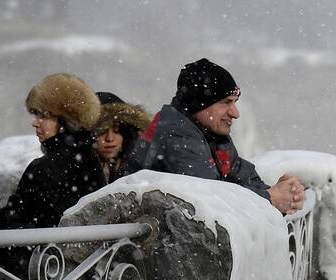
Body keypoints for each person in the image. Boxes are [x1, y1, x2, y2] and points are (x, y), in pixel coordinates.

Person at [124, 58, 305, 214]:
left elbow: (242, 177)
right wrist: (270, 198)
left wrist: (279, 193)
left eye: (234, 103)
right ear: (198, 104)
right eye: (226, 103)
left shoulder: (210, 134)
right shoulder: (176, 135)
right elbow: (209, 200)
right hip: (147, 249)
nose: (235, 113)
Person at [0, 73, 105, 230]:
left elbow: (13, 225)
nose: (35, 123)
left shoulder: (46, 167)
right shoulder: (91, 159)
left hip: (43, 252)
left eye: (43, 116)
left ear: (66, 120)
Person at [93, 91, 151, 183]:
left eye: (117, 129)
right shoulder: (76, 170)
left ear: (127, 133)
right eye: (102, 130)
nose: (109, 138)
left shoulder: (144, 168)